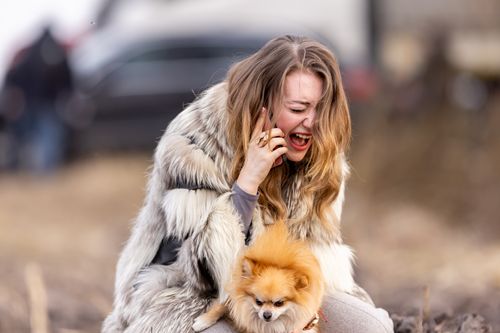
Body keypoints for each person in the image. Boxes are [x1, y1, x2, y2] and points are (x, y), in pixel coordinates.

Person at [102, 35, 393, 333]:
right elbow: (198, 269)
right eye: (297, 109)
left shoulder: (321, 154)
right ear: (262, 105)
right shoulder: (194, 143)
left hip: (280, 295)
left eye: (319, 109)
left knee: (370, 327)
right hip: (190, 294)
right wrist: (248, 182)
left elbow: (315, 261)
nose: (312, 122)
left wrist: (305, 308)